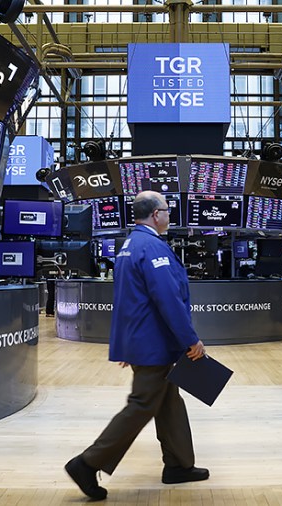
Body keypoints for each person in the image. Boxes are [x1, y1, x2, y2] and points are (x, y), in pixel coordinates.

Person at [65, 191, 208, 501]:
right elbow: (167, 299)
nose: (170, 216)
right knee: (143, 403)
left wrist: (129, 344)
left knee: (169, 401)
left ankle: (179, 465)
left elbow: (130, 300)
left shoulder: (129, 245)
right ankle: (87, 463)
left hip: (145, 341)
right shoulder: (152, 247)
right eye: (168, 211)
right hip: (154, 344)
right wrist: (190, 339)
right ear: (156, 214)